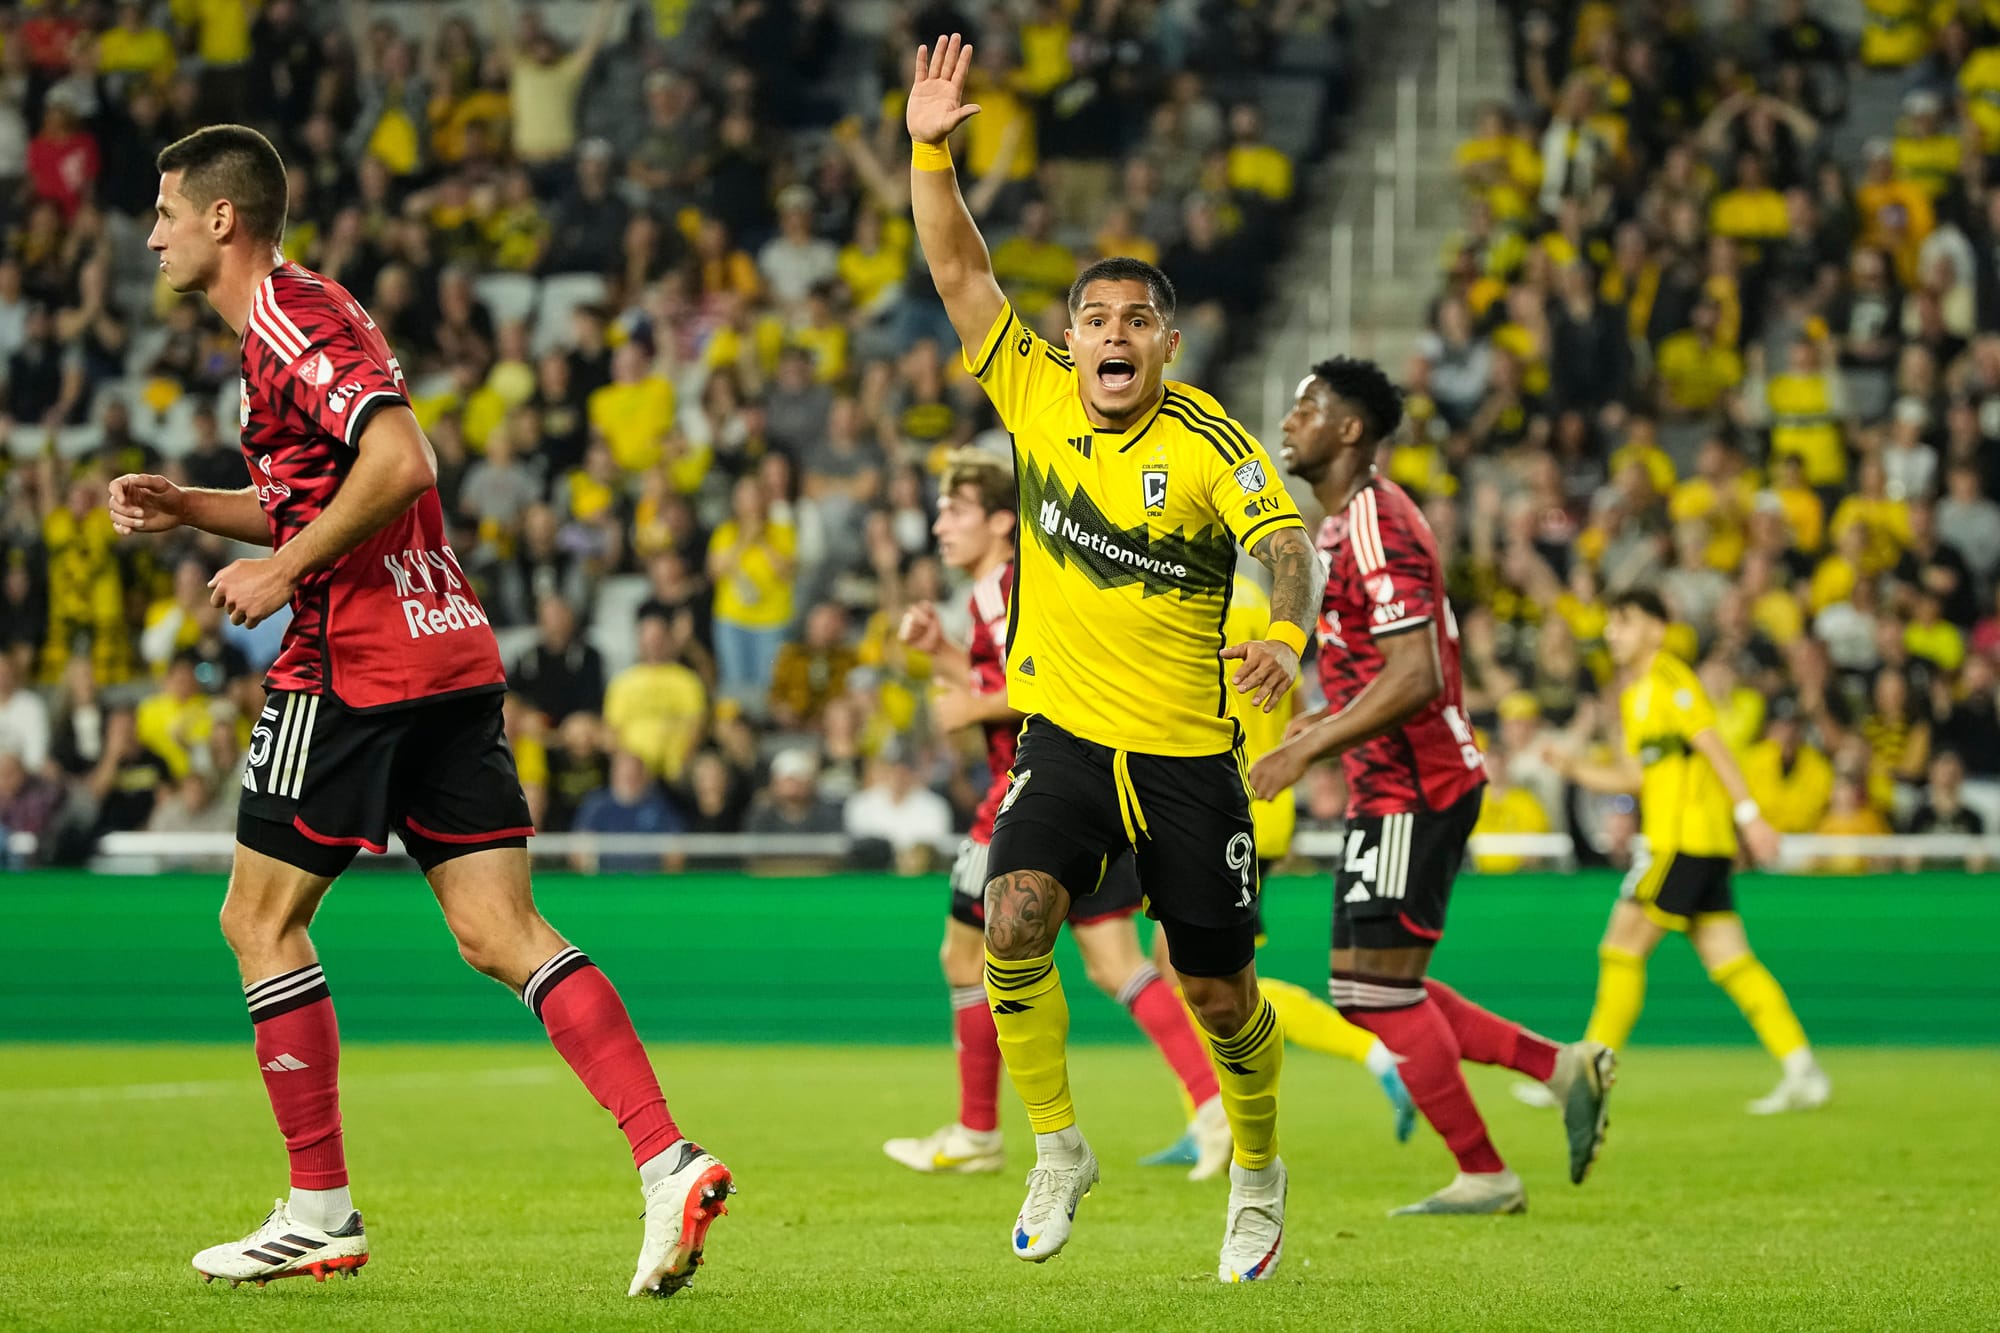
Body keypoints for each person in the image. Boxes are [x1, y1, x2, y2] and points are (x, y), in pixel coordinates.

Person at [107, 125, 730, 1297]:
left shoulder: (290, 319)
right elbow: (321, 489)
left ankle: (318, 1209)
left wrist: (288, 573)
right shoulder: (297, 321)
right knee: (500, 933)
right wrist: (196, 506)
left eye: (166, 211)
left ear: (222, 220)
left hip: (353, 660)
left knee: (256, 922)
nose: (153, 234)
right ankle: (666, 1157)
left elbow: (404, 461)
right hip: (446, 645)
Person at [906, 35, 1319, 1280]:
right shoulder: (1031, 395)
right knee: (1010, 923)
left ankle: (1254, 1169)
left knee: (1218, 993)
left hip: (1190, 757)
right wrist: (930, 151)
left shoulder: (1205, 441)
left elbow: (1284, 543)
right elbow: (958, 267)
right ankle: (1056, 1146)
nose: (1109, 334)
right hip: (1067, 741)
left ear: (1167, 347)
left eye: (1136, 319)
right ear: (1070, 340)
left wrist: (1287, 638)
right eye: (1092, 317)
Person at [1245, 357, 1612, 1217]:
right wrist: (1319, 720)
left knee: (1374, 990)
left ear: (1349, 430)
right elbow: (1386, 664)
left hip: (1417, 784)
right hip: (1393, 784)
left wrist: (1308, 751)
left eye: (1309, 407)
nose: (1291, 420)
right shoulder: (1338, 530)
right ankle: (1559, 1068)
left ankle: (1488, 1170)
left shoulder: (1373, 519)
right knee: (1372, 985)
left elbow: (1416, 674)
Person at [883, 451, 1241, 1184]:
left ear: (1000, 521)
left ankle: (980, 1130)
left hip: (1029, 798)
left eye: (955, 511)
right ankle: (1212, 1107)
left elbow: (1044, 684)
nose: (939, 524)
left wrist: (974, 700)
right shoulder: (999, 587)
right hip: (1093, 791)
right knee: (1117, 964)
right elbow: (1008, 675)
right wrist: (946, 655)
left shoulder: (1013, 583)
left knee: (963, 957)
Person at [1140, 568, 1419, 1170]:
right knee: (1185, 975)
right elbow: (1287, 701)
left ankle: (1369, 1053)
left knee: (1212, 982)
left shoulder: (1192, 598)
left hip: (1213, 804)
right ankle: (1207, 1117)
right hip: (1259, 800)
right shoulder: (1268, 605)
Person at [1541, 588, 1832, 1115]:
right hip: (1697, 844)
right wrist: (1573, 768)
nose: (1613, 632)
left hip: (1683, 841)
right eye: (1610, 623)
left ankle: (1586, 1073)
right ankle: (1802, 1069)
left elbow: (1713, 745)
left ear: (1657, 627)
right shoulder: (1635, 696)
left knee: (1621, 947)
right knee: (1733, 962)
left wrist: (1751, 817)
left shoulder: (1672, 679)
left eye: (1624, 622)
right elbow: (1634, 775)